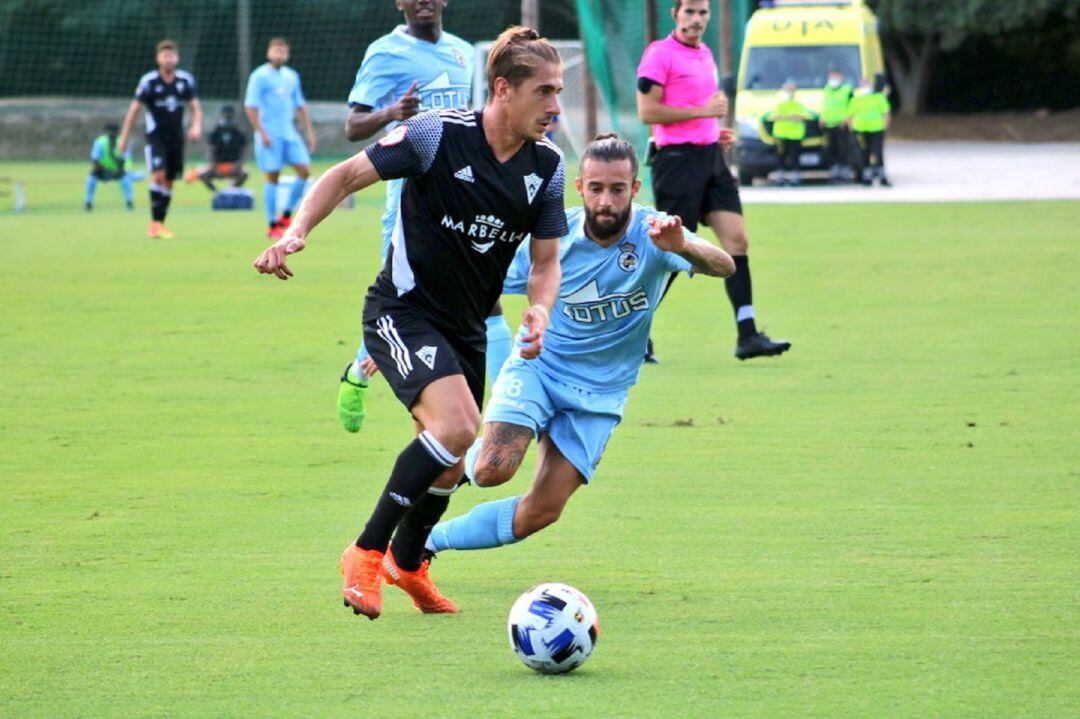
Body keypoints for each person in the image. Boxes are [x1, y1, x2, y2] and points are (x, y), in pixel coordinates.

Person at [252, 27, 566, 621]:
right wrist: (296, 232)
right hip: (402, 311)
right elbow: (343, 176)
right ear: (503, 89)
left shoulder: (546, 166)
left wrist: (541, 306)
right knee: (457, 427)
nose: (555, 106)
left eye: (559, 91)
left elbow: (546, 263)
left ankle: (408, 560)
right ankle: (365, 552)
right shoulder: (435, 135)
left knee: (453, 457)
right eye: (545, 91)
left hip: (467, 328)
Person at [404, 135, 734, 598]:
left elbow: (724, 265)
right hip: (540, 368)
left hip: (601, 394)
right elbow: (477, 279)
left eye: (618, 189)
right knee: (493, 468)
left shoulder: (658, 234)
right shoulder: (554, 240)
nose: (606, 200)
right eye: (596, 187)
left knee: (541, 512)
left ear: (635, 187)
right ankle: (433, 486)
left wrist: (685, 247)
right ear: (579, 187)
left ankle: (426, 543)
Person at [337, 0, 514, 435]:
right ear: (400, 2)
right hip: (411, 205)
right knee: (409, 303)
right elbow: (353, 126)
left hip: (464, 197)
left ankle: (508, 402)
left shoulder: (460, 52)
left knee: (486, 299)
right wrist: (391, 114)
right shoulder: (385, 52)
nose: (423, 1)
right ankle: (360, 371)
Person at [637, 0, 790, 361]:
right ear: (675, 14)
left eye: (703, 12)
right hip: (676, 162)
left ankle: (748, 335)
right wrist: (702, 113)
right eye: (689, 11)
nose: (697, 18)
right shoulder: (659, 54)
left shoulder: (705, 53)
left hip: (711, 158)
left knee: (737, 240)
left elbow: (696, 112)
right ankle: (636, 332)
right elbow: (648, 112)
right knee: (673, 249)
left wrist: (712, 131)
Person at [118, 39, 202, 239]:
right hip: (156, 137)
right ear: (158, 59)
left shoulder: (185, 81)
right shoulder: (149, 82)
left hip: (176, 138)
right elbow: (134, 111)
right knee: (158, 176)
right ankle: (154, 224)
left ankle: (160, 223)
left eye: (172, 55)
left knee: (170, 181)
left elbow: (195, 108)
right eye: (165, 55)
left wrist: (196, 126)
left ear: (177, 58)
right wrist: (124, 138)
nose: (169, 59)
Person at [244, 37, 316, 239]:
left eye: (283, 51)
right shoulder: (259, 76)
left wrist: (309, 134)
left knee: (305, 171)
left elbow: (300, 107)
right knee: (272, 177)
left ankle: (286, 216)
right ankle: (272, 224)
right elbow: (250, 107)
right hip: (270, 134)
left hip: (289, 132)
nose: (279, 54)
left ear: (287, 54)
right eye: (276, 50)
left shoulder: (292, 76)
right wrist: (261, 132)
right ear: (269, 53)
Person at [185, 105, 248, 192]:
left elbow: (243, 150)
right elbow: (210, 149)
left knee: (245, 173)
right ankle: (217, 193)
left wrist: (238, 164)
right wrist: (214, 165)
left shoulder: (238, 131)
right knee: (203, 175)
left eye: (230, 114)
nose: (228, 116)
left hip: (233, 165)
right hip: (218, 165)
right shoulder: (216, 130)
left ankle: (231, 191)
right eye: (226, 114)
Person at [764, 79, 814, 187]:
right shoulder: (779, 103)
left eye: (792, 89)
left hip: (795, 134)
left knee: (794, 156)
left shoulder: (798, 104)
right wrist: (789, 117)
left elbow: (805, 115)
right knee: (781, 156)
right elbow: (772, 116)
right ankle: (780, 176)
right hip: (781, 134)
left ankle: (794, 177)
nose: (790, 91)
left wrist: (789, 117)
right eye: (788, 88)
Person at [849, 74, 892, 187]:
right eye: (863, 82)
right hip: (861, 129)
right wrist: (851, 129)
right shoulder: (856, 98)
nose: (865, 85)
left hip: (876, 128)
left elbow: (886, 112)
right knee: (864, 152)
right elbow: (850, 114)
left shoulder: (878, 97)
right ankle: (867, 176)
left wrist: (885, 126)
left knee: (877, 152)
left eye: (867, 82)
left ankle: (881, 176)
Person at [85, 123, 134, 211]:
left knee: (125, 178)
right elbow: (95, 159)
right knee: (91, 177)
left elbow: (127, 159)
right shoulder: (100, 142)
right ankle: (88, 202)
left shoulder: (122, 142)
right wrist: (101, 168)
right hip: (102, 170)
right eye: (110, 132)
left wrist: (122, 169)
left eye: (114, 132)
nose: (112, 134)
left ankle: (129, 202)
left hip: (117, 171)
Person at [820, 67, 853, 182]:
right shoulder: (827, 89)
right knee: (831, 149)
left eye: (835, 76)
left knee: (842, 149)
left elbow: (852, 106)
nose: (833, 79)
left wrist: (847, 119)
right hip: (829, 124)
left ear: (841, 77)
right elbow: (826, 105)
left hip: (841, 124)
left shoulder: (847, 90)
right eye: (831, 76)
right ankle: (834, 172)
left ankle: (844, 172)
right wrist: (822, 118)